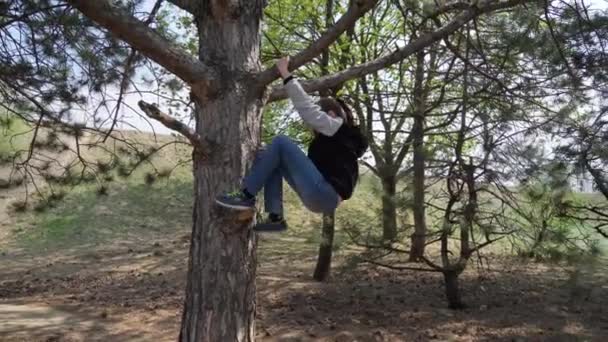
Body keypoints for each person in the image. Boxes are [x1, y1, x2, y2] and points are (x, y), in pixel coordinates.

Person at [215, 56, 368, 232]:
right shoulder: (334, 141)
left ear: (331, 114)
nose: (313, 126)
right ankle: (275, 217)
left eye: (317, 120)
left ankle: (245, 195)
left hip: (325, 193)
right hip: (321, 198)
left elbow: (307, 108)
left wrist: (286, 74)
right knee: (273, 158)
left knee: (281, 141)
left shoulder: (336, 126)